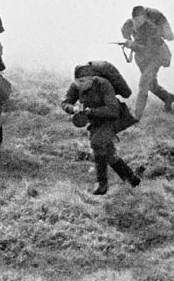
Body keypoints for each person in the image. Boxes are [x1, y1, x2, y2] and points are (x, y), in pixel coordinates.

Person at [61, 63, 142, 195]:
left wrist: (91, 111)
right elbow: (65, 102)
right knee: (109, 154)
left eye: (84, 81)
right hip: (95, 122)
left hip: (111, 119)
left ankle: (102, 185)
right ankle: (132, 179)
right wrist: (72, 108)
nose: (81, 84)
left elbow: (113, 110)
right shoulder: (76, 86)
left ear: (92, 78)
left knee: (97, 143)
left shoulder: (103, 84)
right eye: (79, 81)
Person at [120, 5, 174, 118]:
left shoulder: (152, 29)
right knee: (151, 85)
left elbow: (150, 49)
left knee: (144, 82)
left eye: (140, 20)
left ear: (145, 18)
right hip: (143, 58)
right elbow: (125, 33)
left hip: (157, 56)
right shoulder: (128, 24)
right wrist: (128, 40)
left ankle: (136, 115)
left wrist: (133, 45)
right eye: (135, 20)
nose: (137, 23)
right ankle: (167, 97)